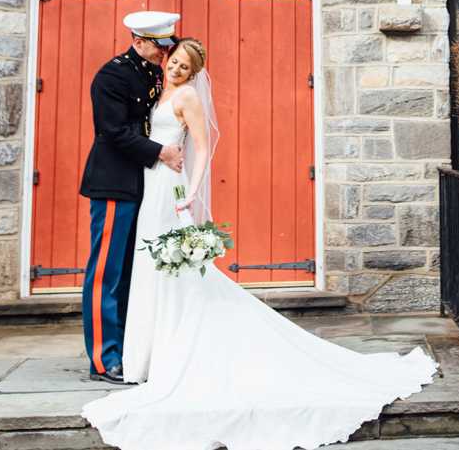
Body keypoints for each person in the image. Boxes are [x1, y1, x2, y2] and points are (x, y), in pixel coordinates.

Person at [83, 37, 437, 450]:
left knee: (169, 272)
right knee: (145, 269)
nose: (176, 68)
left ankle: (165, 353)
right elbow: (123, 131)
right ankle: (142, 353)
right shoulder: (149, 85)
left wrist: (191, 196)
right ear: (160, 55)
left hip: (168, 191)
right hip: (147, 187)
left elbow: (201, 148)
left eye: (183, 66)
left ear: (194, 74)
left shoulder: (187, 98)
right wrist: (160, 153)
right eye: (173, 60)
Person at [79, 10, 186, 385]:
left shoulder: (153, 72)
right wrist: (161, 151)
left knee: (131, 273)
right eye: (160, 45)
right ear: (139, 41)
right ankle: (103, 359)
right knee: (106, 273)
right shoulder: (112, 76)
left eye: (167, 45)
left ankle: (128, 349)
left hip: (145, 185)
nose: (165, 52)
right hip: (114, 183)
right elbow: (113, 132)